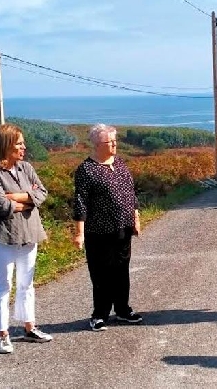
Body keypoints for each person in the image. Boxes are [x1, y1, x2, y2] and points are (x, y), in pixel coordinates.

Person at [0, 123, 52, 354]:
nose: (23, 147)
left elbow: (42, 193)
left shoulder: (26, 168)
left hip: (29, 235)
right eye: (19, 143)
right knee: (4, 285)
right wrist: (28, 201)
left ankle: (29, 327)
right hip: (3, 236)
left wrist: (17, 197)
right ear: (6, 145)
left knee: (26, 284)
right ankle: (2, 334)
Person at [72, 123, 142, 331]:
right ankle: (99, 314)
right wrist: (79, 233)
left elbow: (131, 192)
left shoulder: (119, 163)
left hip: (123, 227)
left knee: (122, 270)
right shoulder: (86, 169)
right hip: (99, 231)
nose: (113, 144)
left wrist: (135, 217)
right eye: (109, 141)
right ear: (96, 144)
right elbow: (80, 202)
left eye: (114, 141)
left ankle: (122, 309)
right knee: (101, 273)